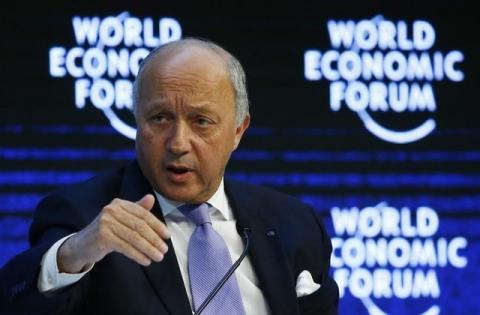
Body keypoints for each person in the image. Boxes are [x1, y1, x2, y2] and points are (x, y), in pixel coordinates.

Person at [0, 38, 338, 315]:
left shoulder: (295, 223)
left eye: (201, 121)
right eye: (160, 118)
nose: (178, 143)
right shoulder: (84, 217)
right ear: (137, 121)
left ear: (238, 130)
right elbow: (18, 302)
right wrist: (73, 254)